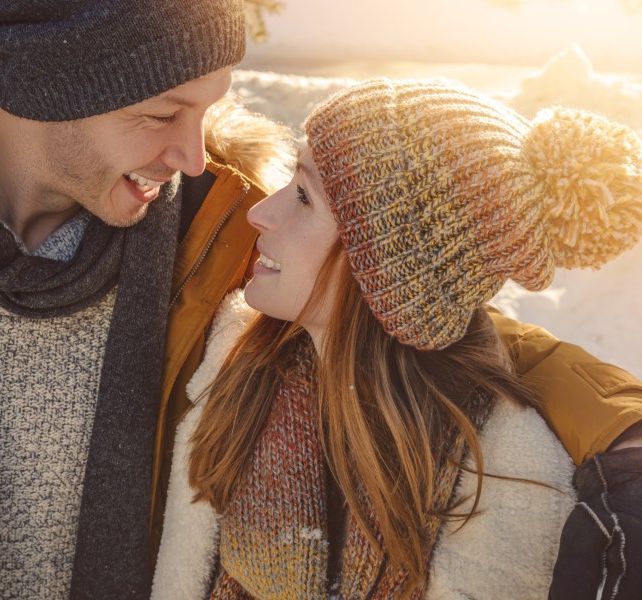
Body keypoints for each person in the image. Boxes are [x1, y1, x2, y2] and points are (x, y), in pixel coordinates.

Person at [0, 4, 641, 600]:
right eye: (162, 114)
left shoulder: (225, 228)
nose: (195, 156)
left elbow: (415, 303)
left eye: (210, 108)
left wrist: (621, 435)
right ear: (53, 90)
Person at [152, 78, 642, 599]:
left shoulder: (498, 487)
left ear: (387, 272)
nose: (260, 212)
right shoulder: (227, 362)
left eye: (302, 196)